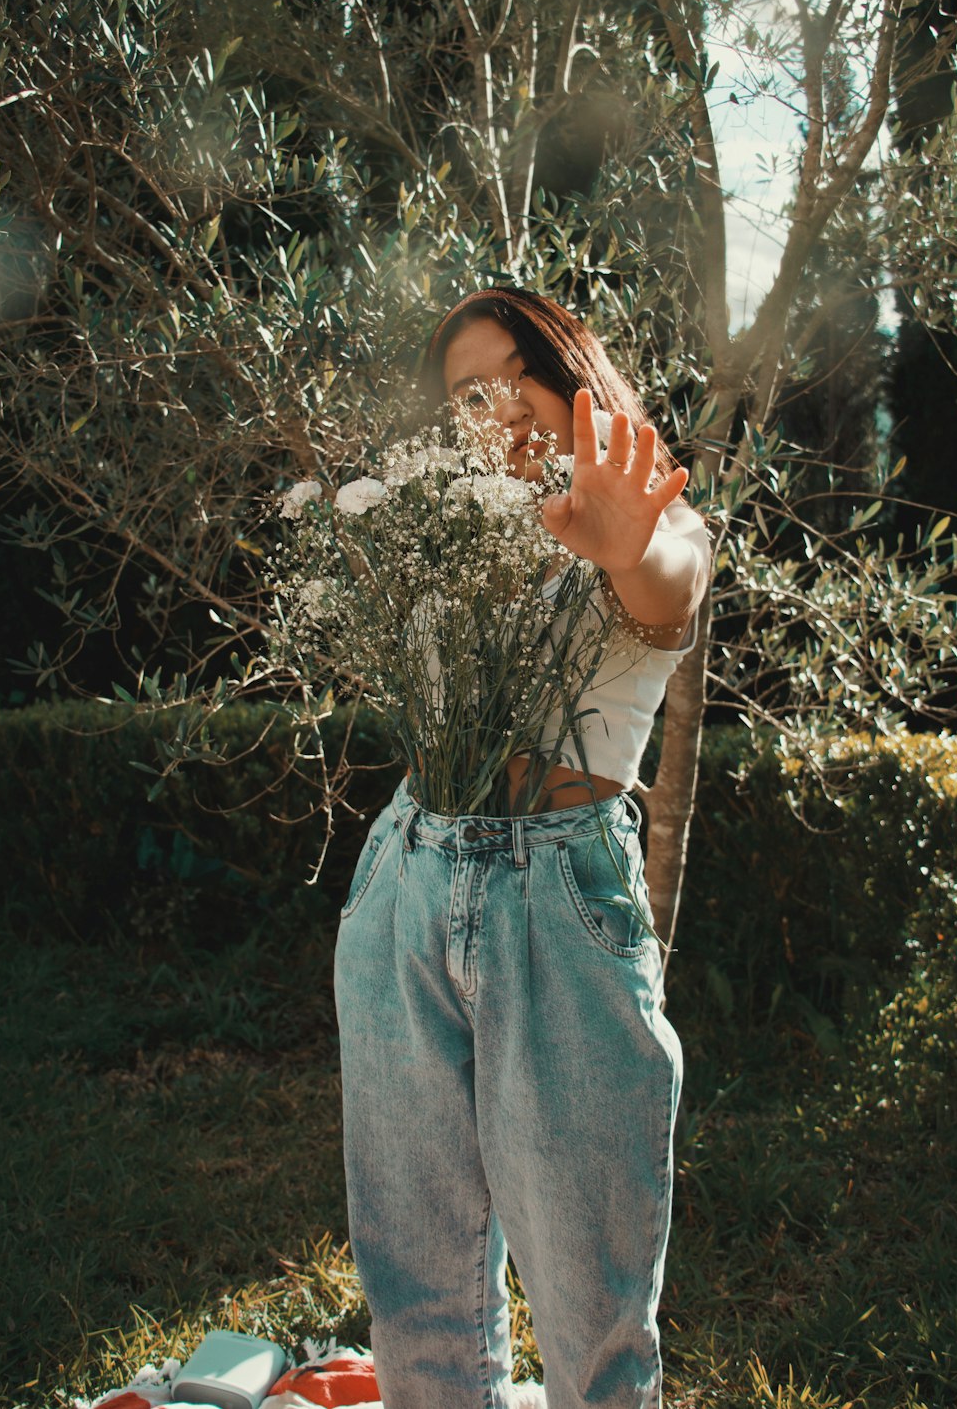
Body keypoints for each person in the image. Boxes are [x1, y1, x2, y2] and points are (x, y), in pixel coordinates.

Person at [332, 286, 711, 1409]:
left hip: (556, 898)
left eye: (516, 375)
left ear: (570, 370)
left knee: (591, 1299)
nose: (495, 409)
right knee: (416, 1281)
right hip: (404, 875)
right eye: (466, 394)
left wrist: (626, 546)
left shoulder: (654, 516)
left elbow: (667, 591)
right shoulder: (445, 528)